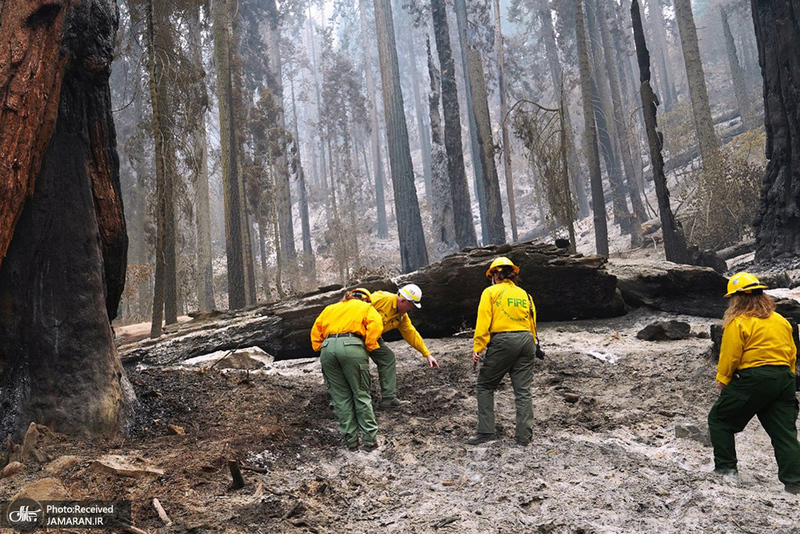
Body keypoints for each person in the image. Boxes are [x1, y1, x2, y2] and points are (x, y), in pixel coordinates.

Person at [708, 272, 800, 494]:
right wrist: (786, 378)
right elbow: (792, 353)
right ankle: (794, 482)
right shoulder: (781, 321)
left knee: (720, 419)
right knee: (784, 433)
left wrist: (723, 379)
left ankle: (726, 471)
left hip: (753, 379)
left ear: (738, 298)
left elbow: (730, 355)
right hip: (784, 378)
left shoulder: (738, 322)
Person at [469, 257, 537, 446]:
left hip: (504, 340)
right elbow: (532, 320)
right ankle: (524, 438)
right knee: (523, 391)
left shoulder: (490, 292)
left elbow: (483, 321)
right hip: (526, 340)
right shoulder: (524, 294)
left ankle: (486, 432)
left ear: (495, 275)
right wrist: (535, 344)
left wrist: (478, 347)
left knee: (485, 385)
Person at [311, 288, 383, 451]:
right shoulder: (366, 308)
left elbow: (316, 329)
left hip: (328, 348)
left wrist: (319, 347)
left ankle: (351, 442)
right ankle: (369, 441)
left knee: (340, 397)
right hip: (352, 346)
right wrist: (370, 344)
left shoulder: (330, 308)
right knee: (361, 393)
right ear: (366, 299)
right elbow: (377, 324)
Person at [369, 284, 440, 410]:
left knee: (387, 357)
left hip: (373, 338)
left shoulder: (401, 316)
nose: (411, 308)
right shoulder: (381, 298)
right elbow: (355, 308)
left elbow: (410, 333)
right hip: (356, 335)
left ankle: (389, 399)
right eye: (411, 305)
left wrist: (427, 354)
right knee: (356, 363)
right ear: (403, 300)